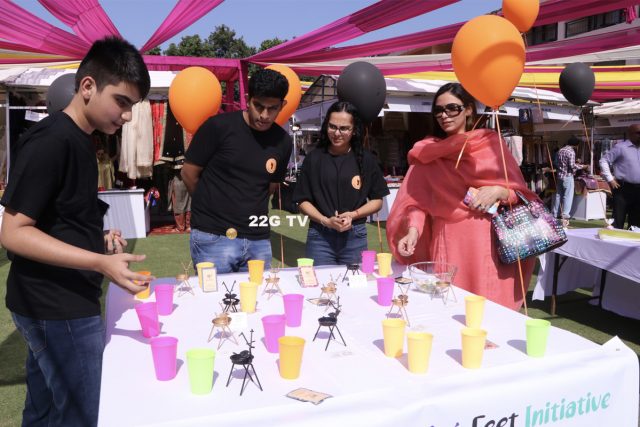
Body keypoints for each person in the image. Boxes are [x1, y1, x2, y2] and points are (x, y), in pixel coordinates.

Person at [0, 37, 151, 427]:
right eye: (121, 101)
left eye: (132, 106)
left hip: (54, 301)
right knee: (81, 414)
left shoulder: (81, 140)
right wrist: (100, 261)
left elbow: (56, 218)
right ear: (87, 87)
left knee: (45, 409)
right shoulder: (53, 140)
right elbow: (14, 233)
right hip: (56, 306)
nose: (128, 116)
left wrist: (95, 237)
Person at [386, 83, 538, 310]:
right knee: (450, 303)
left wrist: (499, 191)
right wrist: (413, 230)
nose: (444, 115)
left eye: (451, 108)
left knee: (487, 306)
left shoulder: (490, 144)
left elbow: (521, 193)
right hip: (447, 239)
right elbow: (416, 201)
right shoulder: (427, 152)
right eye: (438, 111)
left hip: (486, 240)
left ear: (468, 109)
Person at [182, 69, 292, 273]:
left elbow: (270, 186)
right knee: (215, 303)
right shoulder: (217, 127)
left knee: (258, 302)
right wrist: (211, 207)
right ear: (248, 99)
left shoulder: (283, 142)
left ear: (282, 106)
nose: (264, 115)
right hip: (213, 237)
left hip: (258, 239)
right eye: (258, 106)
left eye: (272, 108)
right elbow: (188, 174)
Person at [292, 101, 389, 265]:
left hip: (355, 236)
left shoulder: (366, 159)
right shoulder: (314, 158)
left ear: (354, 130)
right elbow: (302, 201)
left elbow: (377, 200)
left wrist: (353, 214)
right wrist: (325, 220)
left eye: (344, 128)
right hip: (320, 236)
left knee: (354, 285)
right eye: (332, 126)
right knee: (320, 286)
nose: (337, 133)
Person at [599, 123, 640, 229]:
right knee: (618, 219)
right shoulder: (621, 147)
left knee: (636, 222)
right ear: (630, 134)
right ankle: (615, 244)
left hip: (638, 190)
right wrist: (610, 179)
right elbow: (604, 160)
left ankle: (632, 244)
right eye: (638, 133)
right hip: (622, 188)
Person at [551, 135, 586, 225]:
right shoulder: (571, 152)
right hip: (568, 176)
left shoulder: (561, 150)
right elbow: (572, 166)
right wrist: (583, 166)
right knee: (568, 196)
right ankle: (565, 214)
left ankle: (555, 213)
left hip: (560, 176)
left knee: (559, 195)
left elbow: (556, 163)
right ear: (575, 145)